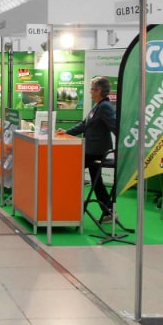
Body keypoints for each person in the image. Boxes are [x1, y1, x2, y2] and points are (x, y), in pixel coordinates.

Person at [59, 76, 117, 223]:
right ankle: (109, 211)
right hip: (91, 151)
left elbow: (116, 127)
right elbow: (84, 125)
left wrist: (124, 145)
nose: (90, 92)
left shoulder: (104, 107)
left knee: (70, 172)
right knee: (97, 182)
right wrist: (66, 132)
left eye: (92, 89)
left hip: (96, 151)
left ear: (99, 91)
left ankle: (67, 207)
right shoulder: (97, 106)